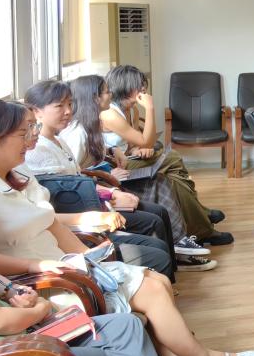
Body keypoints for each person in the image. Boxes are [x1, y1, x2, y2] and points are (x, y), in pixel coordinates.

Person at [0, 99, 254, 356]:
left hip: (64, 266)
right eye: (23, 134)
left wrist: (89, 259)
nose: (30, 139)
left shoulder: (19, 174)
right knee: (152, 288)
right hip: (43, 280)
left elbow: (51, 222)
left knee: (157, 281)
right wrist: (46, 267)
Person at [0, 145, 238, 356]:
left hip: (19, 328)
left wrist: (11, 291)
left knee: (126, 326)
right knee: (127, 339)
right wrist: (40, 308)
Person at [24, 80, 177, 280]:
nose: (68, 111)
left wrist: (110, 192)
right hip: (84, 216)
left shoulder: (59, 140)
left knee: (160, 206)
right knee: (155, 226)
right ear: (37, 112)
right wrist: (109, 196)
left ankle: (165, 281)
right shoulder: (38, 151)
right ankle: (161, 280)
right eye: (59, 106)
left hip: (92, 204)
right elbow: (64, 192)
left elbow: (77, 178)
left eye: (69, 104)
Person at [61, 75, 217, 271]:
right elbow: (73, 177)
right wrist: (108, 177)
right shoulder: (79, 132)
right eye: (106, 92)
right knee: (169, 167)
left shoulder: (92, 124)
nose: (110, 94)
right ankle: (189, 233)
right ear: (94, 98)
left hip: (109, 175)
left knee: (166, 178)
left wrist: (112, 151)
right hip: (102, 187)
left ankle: (184, 238)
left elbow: (103, 154)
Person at [100, 66, 231, 246]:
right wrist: (150, 108)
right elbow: (146, 140)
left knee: (173, 180)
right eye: (139, 85)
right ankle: (203, 217)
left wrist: (138, 149)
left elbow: (135, 143)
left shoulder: (132, 110)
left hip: (128, 159)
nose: (143, 89)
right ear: (126, 87)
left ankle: (202, 225)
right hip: (116, 168)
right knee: (172, 157)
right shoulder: (110, 114)